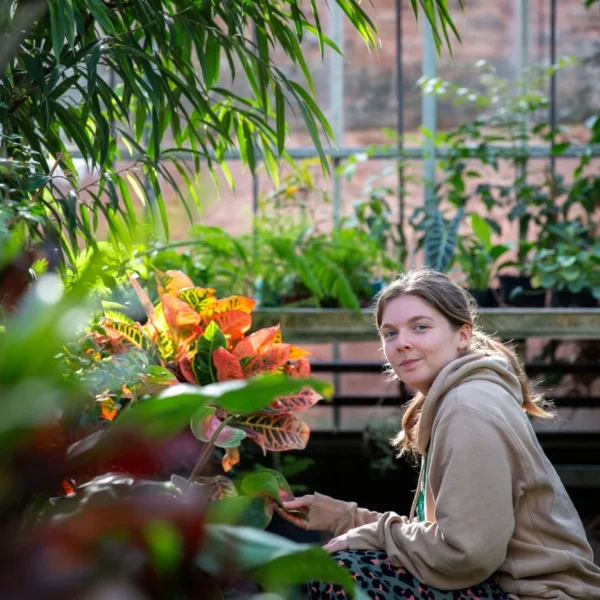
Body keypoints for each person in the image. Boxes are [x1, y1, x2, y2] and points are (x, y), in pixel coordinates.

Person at [275, 268, 600, 600]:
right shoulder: (459, 397)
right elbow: (441, 535)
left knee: (348, 572)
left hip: (539, 594)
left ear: (462, 335)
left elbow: (465, 553)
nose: (402, 343)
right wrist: (339, 517)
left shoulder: (466, 408)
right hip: (506, 585)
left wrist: (370, 537)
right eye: (390, 333)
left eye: (420, 327)